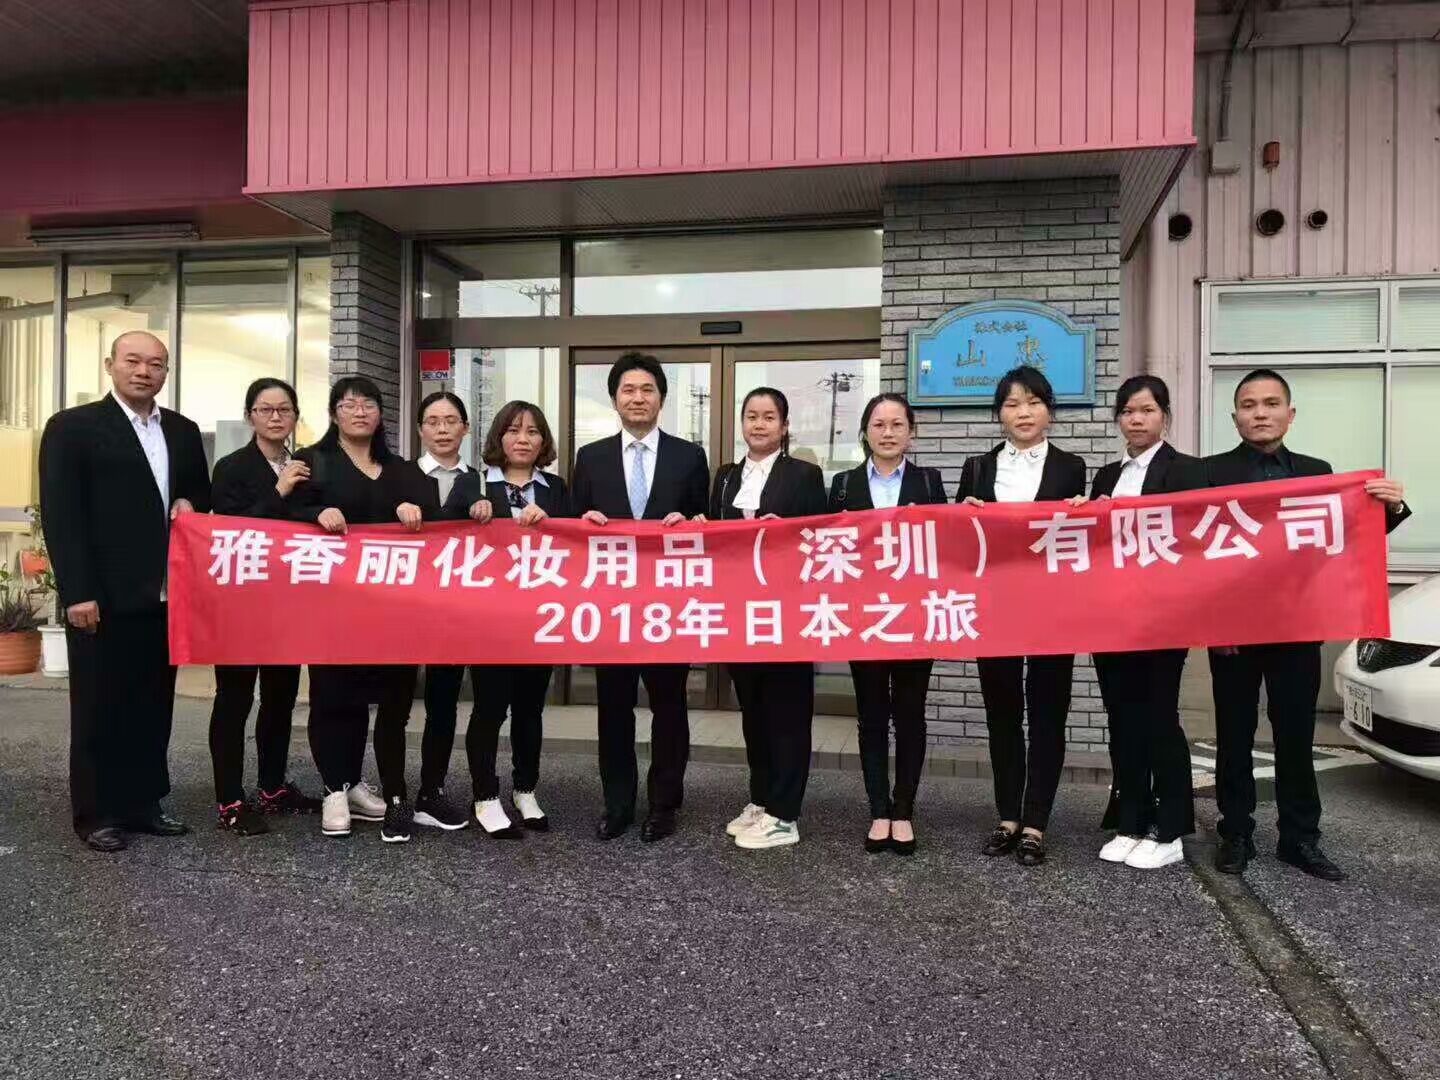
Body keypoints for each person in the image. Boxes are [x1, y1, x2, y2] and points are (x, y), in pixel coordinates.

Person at [1204, 368, 1410, 881]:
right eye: (1249, 405)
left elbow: (1346, 534)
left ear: (1289, 414)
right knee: (1234, 734)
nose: (1260, 413)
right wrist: (1211, 623)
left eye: (1271, 403)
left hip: (1298, 625)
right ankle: (1235, 833)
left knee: (1295, 735)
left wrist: (1391, 507)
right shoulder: (1210, 474)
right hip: (1233, 631)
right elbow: (1191, 554)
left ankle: (1300, 838)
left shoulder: (1319, 473)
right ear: (1235, 417)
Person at [38, 331, 211, 852]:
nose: (143, 371)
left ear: (166, 372)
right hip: (101, 597)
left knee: (152, 704)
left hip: (164, 594)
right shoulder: (73, 428)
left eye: (155, 364)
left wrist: (189, 503)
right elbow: (62, 515)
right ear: (110, 364)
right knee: (98, 707)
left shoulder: (182, 430)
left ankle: (143, 803)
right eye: (133, 361)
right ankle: (96, 813)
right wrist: (77, 592)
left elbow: (197, 494)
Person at [570, 351, 709, 843]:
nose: (638, 398)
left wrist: (692, 523)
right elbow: (574, 529)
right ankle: (618, 804)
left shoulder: (689, 457)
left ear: (661, 399)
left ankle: (664, 805)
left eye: (647, 389)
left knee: (669, 708)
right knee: (613, 709)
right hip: (611, 607)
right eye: (628, 390)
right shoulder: (591, 457)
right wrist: (583, 522)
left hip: (669, 606)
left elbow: (706, 526)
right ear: (614, 399)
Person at [956, 365, 1087, 867]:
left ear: (1049, 410)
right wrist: (964, 513)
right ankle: (1008, 816)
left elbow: (1079, 538)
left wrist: (1085, 510)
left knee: (1049, 712)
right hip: (996, 607)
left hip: (1054, 608)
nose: (1023, 412)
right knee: (1003, 713)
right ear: (999, 415)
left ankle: (1036, 822)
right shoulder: (977, 468)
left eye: (1033, 402)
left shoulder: (1072, 467)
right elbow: (961, 544)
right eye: (1012, 404)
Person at [696, 387, 825, 850]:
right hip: (740, 613)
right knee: (753, 711)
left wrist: (784, 532)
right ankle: (761, 798)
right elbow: (715, 535)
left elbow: (819, 538)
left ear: (784, 426)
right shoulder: (725, 477)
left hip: (787, 612)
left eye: (769, 417)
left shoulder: (805, 475)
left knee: (787, 713)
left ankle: (786, 815)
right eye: (751, 416)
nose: (759, 424)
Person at [287, 376, 414, 843]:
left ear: (381, 414)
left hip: (389, 608)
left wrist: (414, 510)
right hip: (330, 605)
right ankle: (333, 789)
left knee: (369, 698)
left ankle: (354, 782)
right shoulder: (311, 462)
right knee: (332, 695)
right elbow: (278, 518)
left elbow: (435, 522)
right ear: (334, 413)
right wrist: (313, 514)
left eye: (368, 404)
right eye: (348, 404)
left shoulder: (399, 469)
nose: (359, 412)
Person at [1089, 375, 1205, 870]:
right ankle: (1131, 820)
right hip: (1111, 616)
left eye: (1147, 410)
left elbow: (1197, 541)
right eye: (1128, 411)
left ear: (1165, 416)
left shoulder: (1188, 471)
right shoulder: (1105, 476)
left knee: (1159, 718)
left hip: (1161, 617)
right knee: (1122, 719)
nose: (1136, 419)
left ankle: (1171, 827)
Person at [828, 392, 947, 855]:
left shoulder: (929, 482)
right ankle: (878, 809)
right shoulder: (842, 485)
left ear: (911, 433)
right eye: (879, 424)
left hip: (915, 617)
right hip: (865, 619)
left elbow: (946, 545)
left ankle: (904, 810)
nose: (888, 432)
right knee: (872, 716)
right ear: (865, 432)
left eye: (898, 424)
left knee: (911, 716)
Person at [207, 377, 321, 835]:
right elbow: (230, 530)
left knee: (280, 696)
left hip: (287, 601)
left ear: (295, 416)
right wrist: (279, 491)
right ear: (250, 416)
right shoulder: (231, 467)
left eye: (284, 409)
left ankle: (272, 787)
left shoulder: (305, 466)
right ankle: (230, 799)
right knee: (234, 699)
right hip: (241, 601)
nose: (276, 417)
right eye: (265, 409)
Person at [385, 390, 495, 834]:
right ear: (420, 429)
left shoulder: (479, 480)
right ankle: (395, 797)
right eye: (433, 421)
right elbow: (370, 526)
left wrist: (490, 511)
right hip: (403, 610)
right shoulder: (398, 475)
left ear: (465, 428)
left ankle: (432, 792)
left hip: (454, 614)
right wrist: (395, 508)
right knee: (395, 704)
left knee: (443, 704)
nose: (443, 429)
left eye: (451, 421)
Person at [464, 400, 570, 837]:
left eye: (532, 431)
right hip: (487, 619)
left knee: (530, 709)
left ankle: (526, 789)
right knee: (490, 708)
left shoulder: (556, 488)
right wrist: (472, 515)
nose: (523, 439)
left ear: (543, 441)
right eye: (513, 430)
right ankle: (485, 795)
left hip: (538, 618)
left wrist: (555, 521)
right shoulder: (474, 484)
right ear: (498, 437)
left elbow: (576, 540)